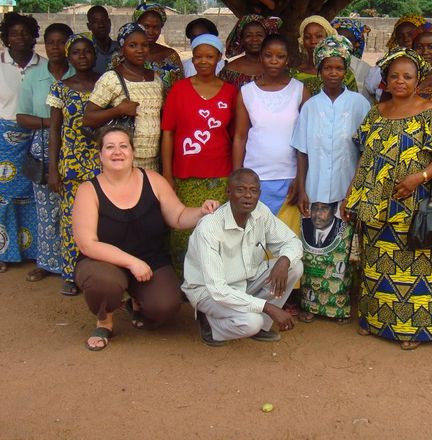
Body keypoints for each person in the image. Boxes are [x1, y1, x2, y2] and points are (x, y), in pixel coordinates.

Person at [344, 48, 432, 350]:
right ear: (385, 79)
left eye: (407, 76)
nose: (400, 81)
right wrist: (352, 193)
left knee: (414, 265)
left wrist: (419, 178)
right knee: (376, 264)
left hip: (415, 203)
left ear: (417, 80)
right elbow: (364, 156)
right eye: (394, 76)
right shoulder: (376, 112)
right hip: (375, 202)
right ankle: (374, 320)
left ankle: (413, 329)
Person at [72, 125, 220, 351]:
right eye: (110, 147)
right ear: (100, 155)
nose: (117, 152)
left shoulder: (153, 180)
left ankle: (138, 302)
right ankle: (105, 321)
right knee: (104, 282)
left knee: (166, 306)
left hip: (150, 259)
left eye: (123, 146)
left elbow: (178, 217)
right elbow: (87, 243)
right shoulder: (88, 190)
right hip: (104, 262)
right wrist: (132, 262)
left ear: (133, 151)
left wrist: (201, 211)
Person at [291, 34, 370, 322]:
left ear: (346, 69)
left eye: (338, 68)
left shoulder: (360, 104)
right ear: (319, 70)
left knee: (341, 250)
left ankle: (337, 307)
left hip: (345, 189)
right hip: (314, 190)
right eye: (327, 68)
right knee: (312, 249)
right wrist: (301, 189)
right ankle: (311, 306)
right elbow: (302, 151)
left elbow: (364, 152)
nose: (333, 73)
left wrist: (354, 189)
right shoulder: (311, 106)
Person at [182, 168, 304, 346]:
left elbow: (293, 242)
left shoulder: (261, 212)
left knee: (294, 266)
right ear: (228, 192)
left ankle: (262, 324)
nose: (248, 195)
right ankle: (211, 324)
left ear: (259, 194)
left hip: (245, 281)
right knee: (251, 323)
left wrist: (284, 261)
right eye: (241, 190)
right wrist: (268, 307)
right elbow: (218, 289)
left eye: (253, 191)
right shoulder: (210, 228)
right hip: (209, 292)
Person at [161, 34, 238, 276]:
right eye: (198, 57)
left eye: (209, 56)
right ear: (192, 60)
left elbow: (236, 136)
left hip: (220, 175)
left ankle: (214, 281)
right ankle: (185, 281)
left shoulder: (231, 92)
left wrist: (235, 174)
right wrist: (167, 174)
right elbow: (168, 134)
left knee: (216, 230)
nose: (203, 61)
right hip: (185, 175)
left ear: (219, 58)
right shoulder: (179, 90)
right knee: (183, 232)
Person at [0, 12, 43, 273]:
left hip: (32, 136)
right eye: (14, 33)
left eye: (25, 32)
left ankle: (30, 250)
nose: (20, 38)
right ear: (6, 37)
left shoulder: (43, 65)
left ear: (33, 36)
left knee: (30, 194)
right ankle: (0, 252)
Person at [16, 22, 75, 282]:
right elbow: (21, 117)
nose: (55, 47)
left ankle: (72, 264)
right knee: (45, 207)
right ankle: (47, 261)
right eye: (50, 41)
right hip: (43, 144)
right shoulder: (33, 76)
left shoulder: (80, 72)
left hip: (75, 145)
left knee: (73, 208)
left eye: (61, 41)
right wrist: (51, 123)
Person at [47, 33, 102, 295]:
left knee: (102, 219)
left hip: (101, 161)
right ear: (69, 57)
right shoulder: (61, 88)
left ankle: (100, 271)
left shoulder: (105, 84)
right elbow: (54, 131)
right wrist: (53, 169)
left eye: (87, 51)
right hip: (71, 164)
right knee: (71, 220)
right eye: (77, 52)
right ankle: (71, 273)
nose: (83, 56)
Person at [232, 34, 310, 214]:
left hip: (290, 177)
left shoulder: (300, 91)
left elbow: (306, 140)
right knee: (256, 236)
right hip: (254, 179)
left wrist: (301, 178)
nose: (274, 61)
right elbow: (240, 136)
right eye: (268, 55)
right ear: (261, 58)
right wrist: (237, 177)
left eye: (280, 56)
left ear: (288, 60)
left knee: (287, 237)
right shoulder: (247, 92)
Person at [84, 23, 164, 171]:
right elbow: (88, 118)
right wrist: (118, 110)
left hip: (153, 160)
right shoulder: (111, 78)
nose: (140, 50)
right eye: (132, 45)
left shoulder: (156, 79)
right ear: (122, 49)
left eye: (144, 45)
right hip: (123, 160)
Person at [110, 4, 183, 92]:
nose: (151, 32)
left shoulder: (171, 56)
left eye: (156, 27)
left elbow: (181, 89)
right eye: (146, 26)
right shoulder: (120, 56)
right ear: (137, 25)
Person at [289, 16, 358, 95]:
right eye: (307, 37)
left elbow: (354, 104)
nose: (313, 41)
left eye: (319, 36)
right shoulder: (294, 76)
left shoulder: (345, 75)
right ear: (302, 41)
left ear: (328, 38)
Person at [219, 15, 282, 88]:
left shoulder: (277, 67)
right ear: (241, 40)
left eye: (259, 35)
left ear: (266, 38)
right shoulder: (229, 71)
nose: (254, 39)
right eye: (248, 36)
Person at [331, 17, 373, 102]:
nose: (341, 46)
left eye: (347, 41)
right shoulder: (321, 67)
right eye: (337, 40)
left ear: (355, 44)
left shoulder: (366, 70)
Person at [85, 5, 118, 74]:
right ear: (89, 26)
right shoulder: (86, 51)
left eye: (104, 20)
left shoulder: (120, 48)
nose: (101, 25)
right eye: (95, 22)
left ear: (109, 22)